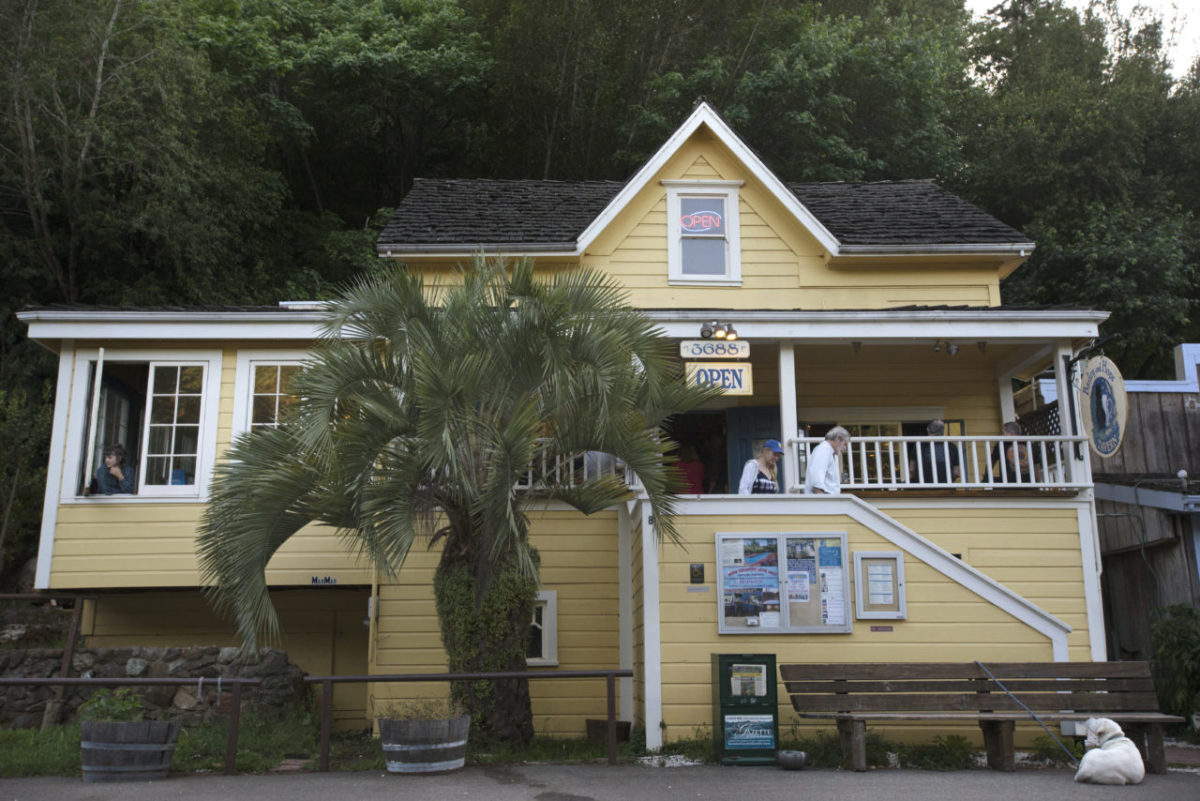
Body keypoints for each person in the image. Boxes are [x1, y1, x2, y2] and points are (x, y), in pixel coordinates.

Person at [910, 419, 960, 484]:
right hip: (947, 486)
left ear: (928, 429)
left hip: (923, 486)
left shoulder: (919, 445)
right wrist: (947, 481)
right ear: (943, 431)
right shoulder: (952, 446)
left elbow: (912, 470)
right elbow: (956, 473)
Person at [805, 427, 850, 495]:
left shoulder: (827, 451)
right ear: (838, 438)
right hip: (824, 502)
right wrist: (824, 502)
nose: (845, 448)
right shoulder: (823, 450)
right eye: (845, 444)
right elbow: (817, 483)